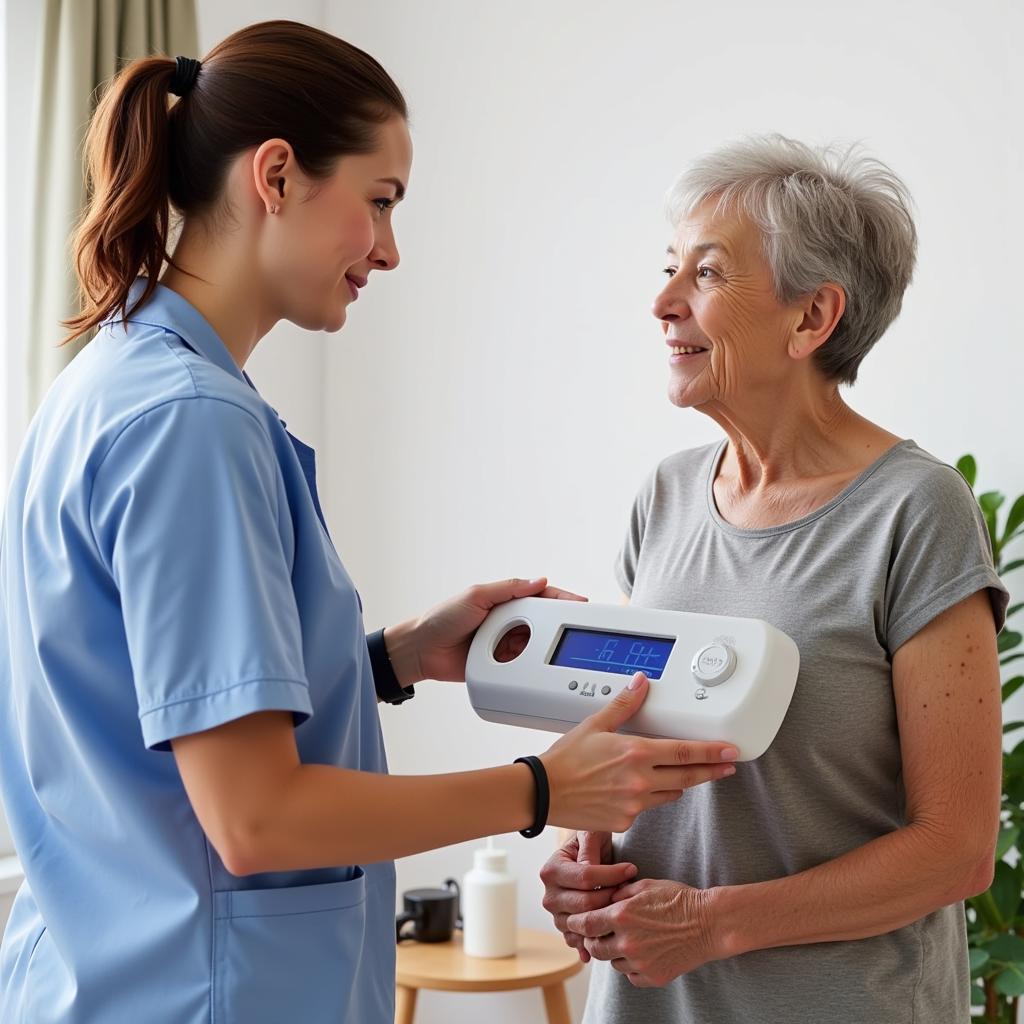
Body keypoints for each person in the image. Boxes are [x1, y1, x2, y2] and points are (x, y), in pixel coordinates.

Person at [0, 22, 738, 1024]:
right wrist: (540, 789)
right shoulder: (192, 426)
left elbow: (150, 712)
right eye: (379, 202)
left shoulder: (117, 382)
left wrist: (390, 658)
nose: (388, 250)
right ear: (275, 176)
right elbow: (255, 818)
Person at [540, 135, 1009, 1023]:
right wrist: (583, 851)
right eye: (670, 267)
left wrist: (713, 924)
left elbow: (956, 851)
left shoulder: (915, 511)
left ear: (811, 318)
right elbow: (641, 743)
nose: (662, 301)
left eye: (706, 275)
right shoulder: (667, 498)